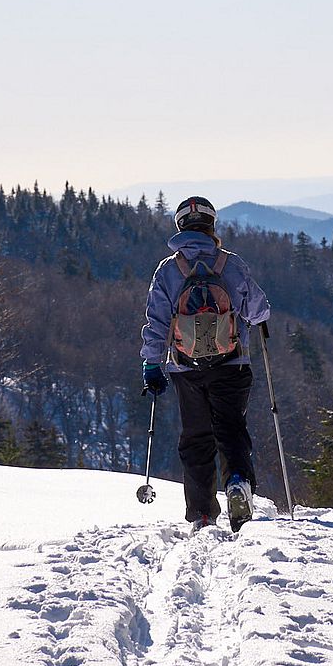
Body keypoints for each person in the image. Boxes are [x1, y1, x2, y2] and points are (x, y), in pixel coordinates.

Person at [140, 196, 271, 533]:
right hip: (232, 364)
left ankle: (201, 513)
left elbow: (156, 322)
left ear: (180, 227)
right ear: (212, 226)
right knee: (231, 430)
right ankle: (238, 483)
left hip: (186, 368)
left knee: (196, 437)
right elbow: (257, 310)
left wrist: (153, 365)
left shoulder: (169, 270)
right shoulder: (230, 264)